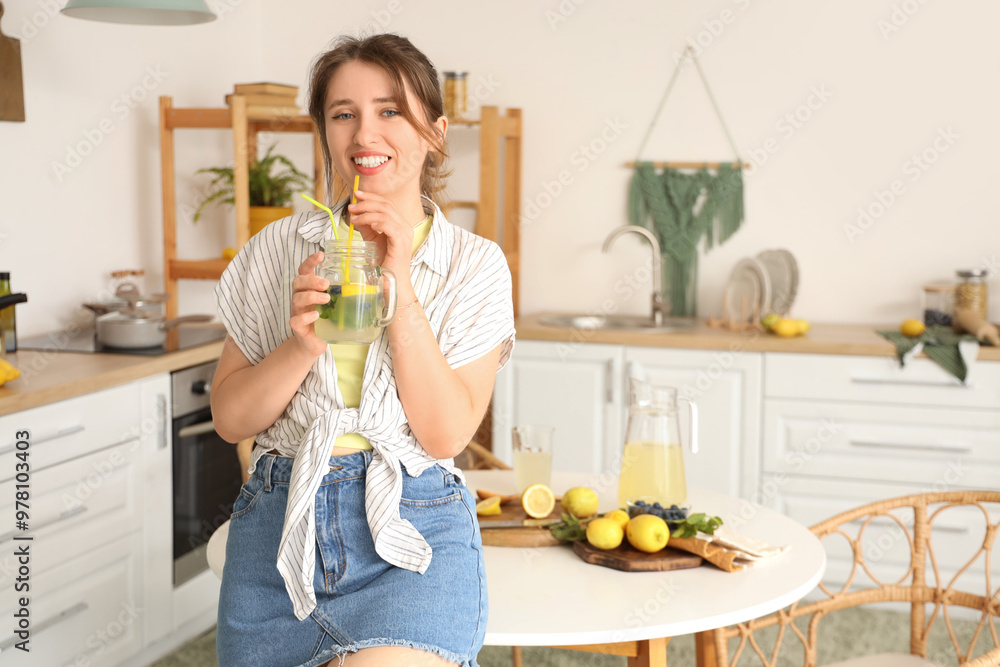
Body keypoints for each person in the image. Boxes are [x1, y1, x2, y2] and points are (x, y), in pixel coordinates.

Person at [211, 33, 515, 667]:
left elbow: (444, 434)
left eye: (390, 111)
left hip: (411, 529)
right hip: (278, 531)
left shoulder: (474, 266)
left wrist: (400, 286)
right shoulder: (275, 250)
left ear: (435, 130)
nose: (364, 134)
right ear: (325, 131)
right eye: (343, 114)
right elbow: (231, 419)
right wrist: (302, 344)